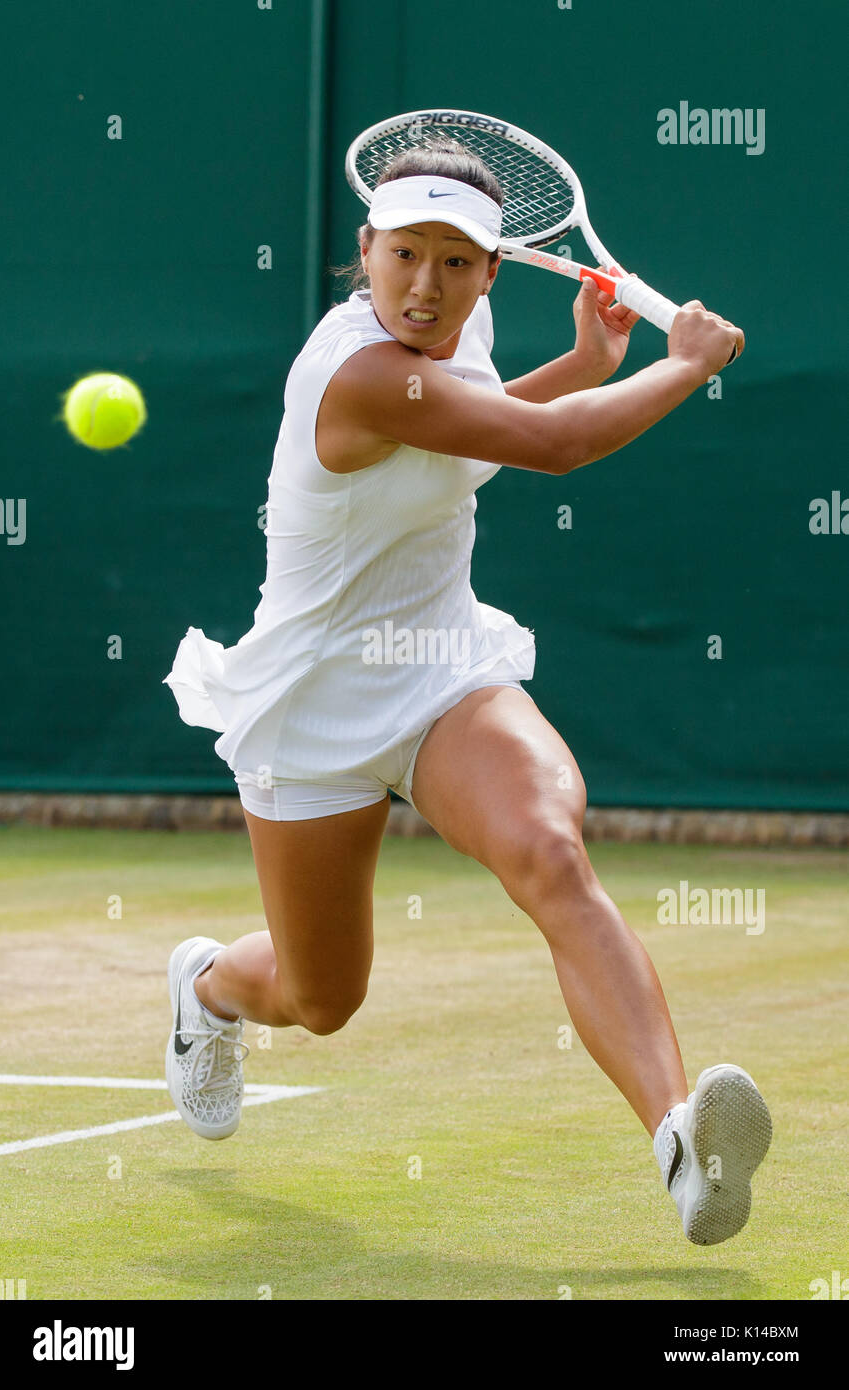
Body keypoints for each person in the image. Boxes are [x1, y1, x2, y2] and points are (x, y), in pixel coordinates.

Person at [162, 138, 770, 1246]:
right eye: (403, 256)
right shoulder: (355, 369)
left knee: (550, 851)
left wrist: (584, 362)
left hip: (442, 667)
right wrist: (681, 364)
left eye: (454, 262)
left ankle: (680, 1140)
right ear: (366, 251)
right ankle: (207, 992)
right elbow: (545, 449)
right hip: (311, 705)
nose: (425, 286)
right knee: (320, 998)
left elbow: (464, 444)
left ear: (493, 270)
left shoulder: (452, 336)